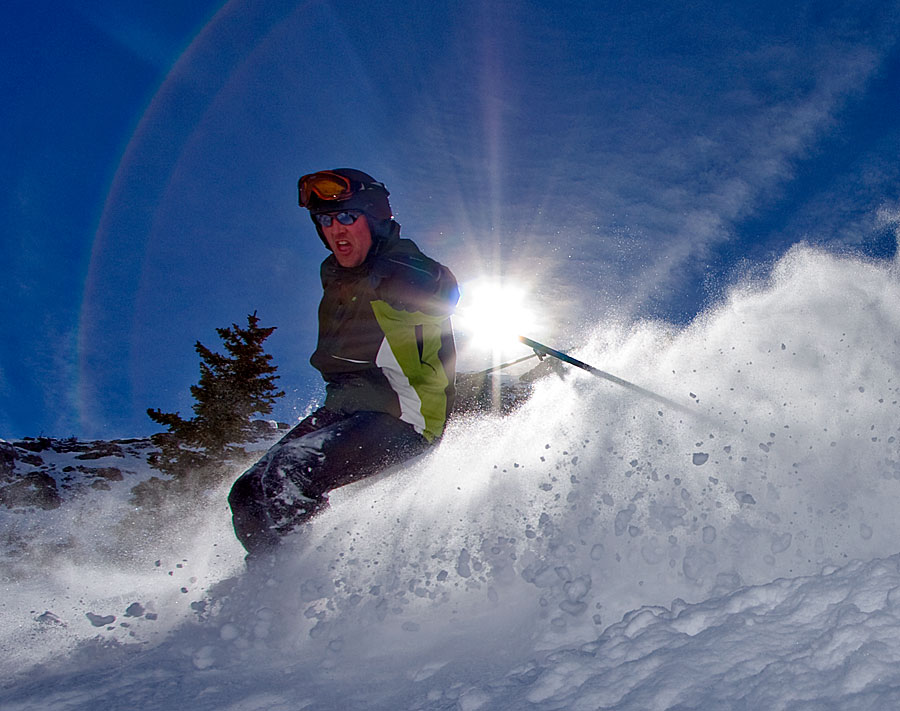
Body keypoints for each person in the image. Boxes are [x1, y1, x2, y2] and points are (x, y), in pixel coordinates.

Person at [228, 168, 458, 556]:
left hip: (405, 416)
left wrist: (406, 279)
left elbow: (443, 286)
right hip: (344, 409)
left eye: (348, 216)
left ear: (374, 218)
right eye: (325, 220)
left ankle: (290, 589)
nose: (336, 228)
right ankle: (269, 585)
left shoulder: (399, 263)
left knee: (289, 473)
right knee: (248, 493)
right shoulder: (335, 275)